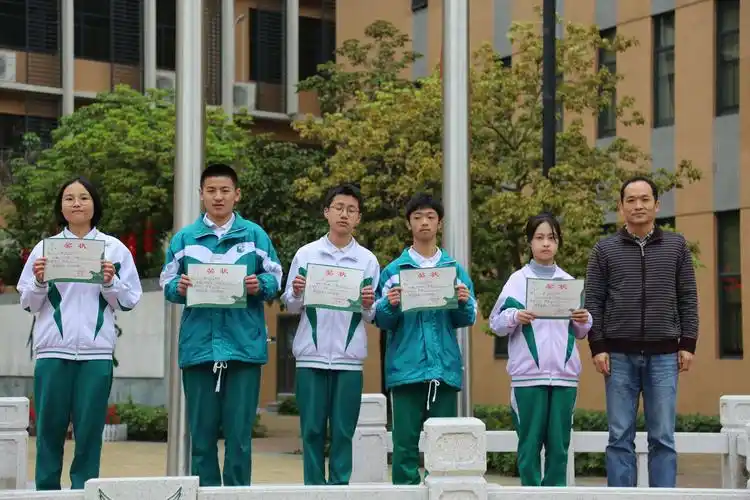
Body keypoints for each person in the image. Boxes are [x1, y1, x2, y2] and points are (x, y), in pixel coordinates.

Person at [159, 163, 282, 487]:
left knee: (239, 440)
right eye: (211, 190)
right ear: (201, 195)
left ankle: (238, 494)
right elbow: (166, 282)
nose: (218, 197)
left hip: (243, 348)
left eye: (225, 190)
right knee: (201, 440)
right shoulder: (185, 239)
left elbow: (276, 276)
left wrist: (260, 285)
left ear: (236, 195)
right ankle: (207, 493)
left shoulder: (254, 236)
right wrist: (178, 288)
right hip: (199, 348)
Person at [17, 177, 142, 490]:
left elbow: (128, 300)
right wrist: (40, 281)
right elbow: (28, 303)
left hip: (96, 355)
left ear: (94, 204)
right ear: (61, 206)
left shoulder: (114, 249)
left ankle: (83, 491)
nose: (76, 203)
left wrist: (111, 281)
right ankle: (46, 492)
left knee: (89, 434)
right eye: (69, 198)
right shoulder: (45, 249)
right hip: (52, 353)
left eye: (84, 197)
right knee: (48, 432)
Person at [584, 175, 698, 488]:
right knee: (619, 436)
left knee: (663, 436)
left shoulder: (676, 246)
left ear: (657, 205)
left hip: (665, 355)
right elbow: (593, 300)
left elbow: (688, 296)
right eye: (631, 200)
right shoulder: (604, 249)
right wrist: (598, 346)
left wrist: (688, 343)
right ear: (621, 207)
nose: (638, 206)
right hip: (618, 356)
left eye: (645, 199)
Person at [374, 192, 477, 485]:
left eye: (430, 217)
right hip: (406, 371)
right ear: (409, 223)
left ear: (439, 223)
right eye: (417, 217)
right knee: (404, 448)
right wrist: (389, 305)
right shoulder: (394, 271)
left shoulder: (454, 270)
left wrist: (463, 302)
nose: (424, 222)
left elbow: (467, 318)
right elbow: (380, 320)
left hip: (443, 370)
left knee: (443, 449)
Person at [281, 183, 380, 486]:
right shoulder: (306, 254)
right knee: (311, 430)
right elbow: (291, 304)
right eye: (338, 208)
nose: (344, 214)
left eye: (351, 210)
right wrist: (297, 291)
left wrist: (368, 304)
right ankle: (314, 489)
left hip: (349, 360)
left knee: (343, 431)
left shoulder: (367, 260)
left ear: (358, 218)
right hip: (310, 357)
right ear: (326, 212)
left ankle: (339, 488)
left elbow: (372, 314)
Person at [488, 213, 591, 487]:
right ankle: (530, 492)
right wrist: (515, 317)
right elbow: (496, 323)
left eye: (552, 238)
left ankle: (555, 493)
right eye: (539, 237)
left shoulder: (568, 282)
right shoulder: (517, 281)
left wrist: (585, 319)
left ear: (558, 242)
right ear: (530, 242)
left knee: (559, 448)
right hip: (528, 378)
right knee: (529, 446)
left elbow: (581, 331)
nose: (546, 243)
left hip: (564, 378)